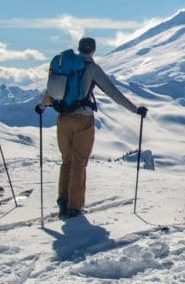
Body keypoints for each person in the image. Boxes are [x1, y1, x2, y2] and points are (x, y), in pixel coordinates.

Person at [36, 37, 147, 218]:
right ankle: (75, 206)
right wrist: (135, 109)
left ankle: (63, 201)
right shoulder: (91, 68)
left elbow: (51, 90)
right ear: (93, 50)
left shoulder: (65, 66)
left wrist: (42, 106)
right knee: (79, 163)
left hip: (63, 118)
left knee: (67, 160)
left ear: (79, 48)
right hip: (83, 118)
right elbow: (112, 92)